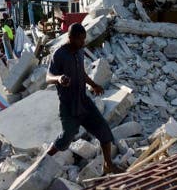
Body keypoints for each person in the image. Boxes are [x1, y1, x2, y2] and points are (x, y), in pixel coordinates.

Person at [45, 23, 122, 175]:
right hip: (68, 105)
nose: (83, 42)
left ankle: (108, 164)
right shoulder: (59, 54)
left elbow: (81, 73)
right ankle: (44, 160)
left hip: (84, 101)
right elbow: (48, 77)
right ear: (70, 38)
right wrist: (59, 78)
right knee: (66, 138)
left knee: (104, 130)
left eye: (84, 39)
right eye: (80, 39)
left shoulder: (80, 52)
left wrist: (94, 85)